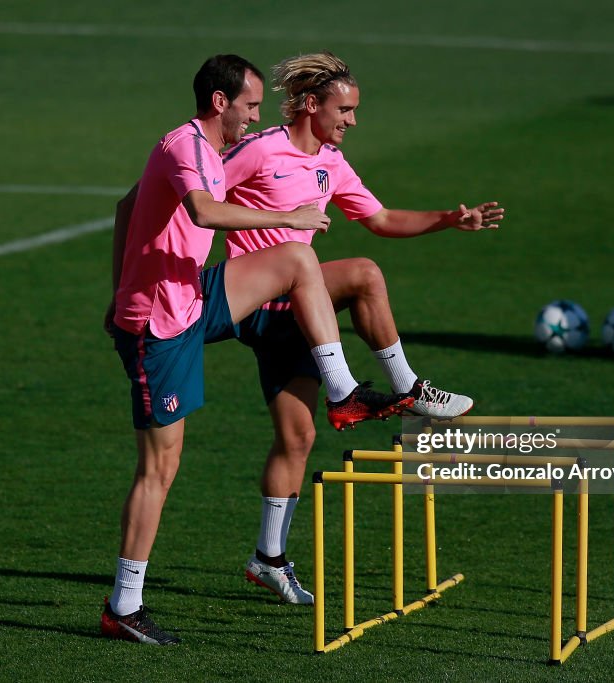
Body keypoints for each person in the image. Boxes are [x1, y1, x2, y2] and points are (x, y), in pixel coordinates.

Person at [99, 55, 413, 646]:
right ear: (221, 103)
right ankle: (124, 605)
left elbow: (124, 208)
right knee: (159, 469)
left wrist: (118, 285)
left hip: (193, 297)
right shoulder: (182, 146)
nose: (256, 117)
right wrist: (285, 214)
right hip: (159, 325)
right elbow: (205, 213)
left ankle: (343, 389)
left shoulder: (212, 154)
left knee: (299, 261)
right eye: (249, 106)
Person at [221, 52, 505, 604]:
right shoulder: (258, 150)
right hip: (259, 302)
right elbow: (200, 201)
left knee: (297, 438)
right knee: (363, 275)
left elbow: (379, 220)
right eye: (344, 110)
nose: (351, 121)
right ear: (311, 105)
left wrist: (449, 219)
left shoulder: (331, 161)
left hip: (303, 311)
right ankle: (407, 387)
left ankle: (268, 559)